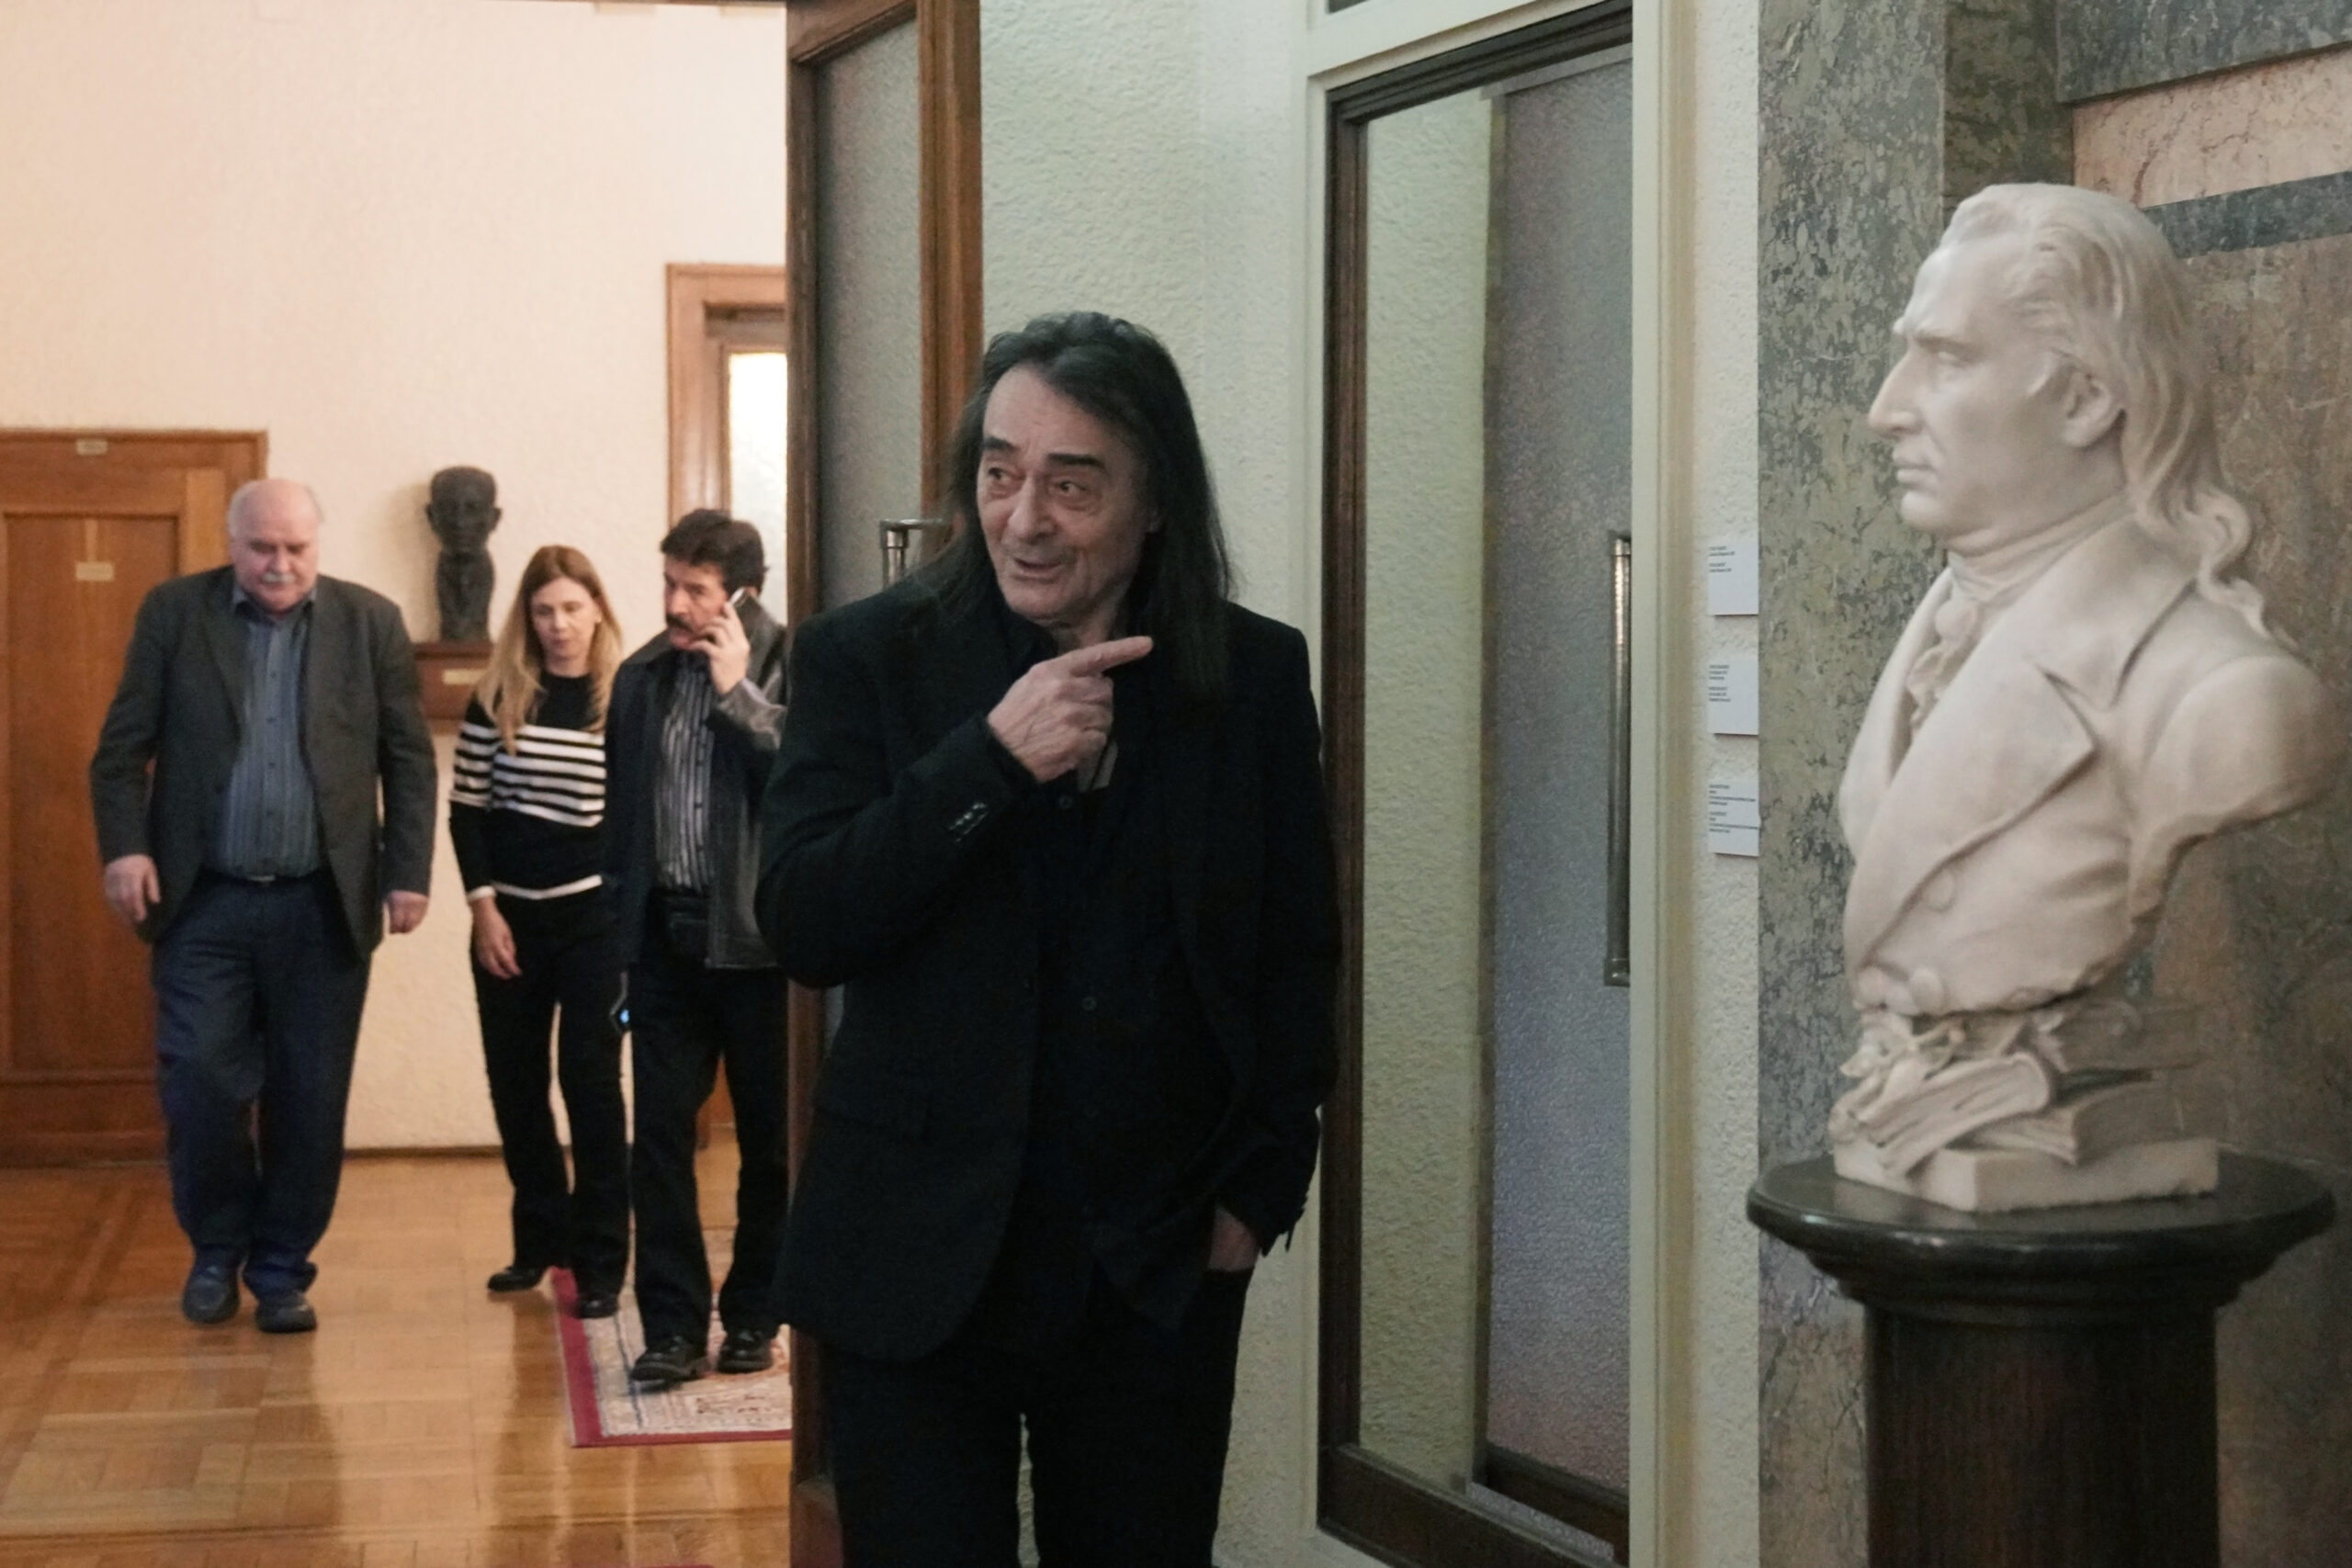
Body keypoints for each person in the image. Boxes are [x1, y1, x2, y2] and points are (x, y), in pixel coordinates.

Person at [759, 311, 1339, 1563]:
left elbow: (1297, 952)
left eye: (1072, 485)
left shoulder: (1249, 677)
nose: (1023, 518)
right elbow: (804, 918)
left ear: (1155, 503)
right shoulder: (868, 657)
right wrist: (989, 760)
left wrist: (1260, 1185)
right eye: (999, 472)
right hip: (912, 1252)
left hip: (1152, 1261)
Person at [1833, 184, 2341, 1182]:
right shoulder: (1938, 623)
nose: (1886, 411)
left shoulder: (2228, 703)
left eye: (1946, 358)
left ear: (2085, 398)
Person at [88, 477, 436, 1333]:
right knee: (201, 1082)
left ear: (318, 544)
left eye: (296, 548)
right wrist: (126, 846)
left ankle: (281, 1268)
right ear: (231, 542)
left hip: (322, 906)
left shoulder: (370, 622)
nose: (279, 564)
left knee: (309, 1098)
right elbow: (120, 751)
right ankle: (216, 1250)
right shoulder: (175, 613)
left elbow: (408, 758)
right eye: (261, 548)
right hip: (204, 902)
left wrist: (408, 870)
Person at [604, 510, 790, 1386]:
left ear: (742, 596)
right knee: (659, 1143)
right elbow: (622, 822)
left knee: (772, 1146)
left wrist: (737, 693)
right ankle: (672, 1328)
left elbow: (804, 781)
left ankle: (754, 1315)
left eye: (696, 589)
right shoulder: (641, 675)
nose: (675, 604)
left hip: (762, 950)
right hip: (664, 946)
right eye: (669, 583)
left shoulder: (795, 663)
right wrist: (619, 943)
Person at [451, 546, 629, 1318]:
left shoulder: (623, 697)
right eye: (544, 610)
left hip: (593, 922)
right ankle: (538, 1239)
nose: (559, 624)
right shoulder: (497, 695)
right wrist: (483, 909)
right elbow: (467, 810)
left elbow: (633, 817)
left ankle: (601, 1260)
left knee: (591, 1086)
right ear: (527, 617)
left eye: (571, 608)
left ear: (597, 609)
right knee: (516, 1087)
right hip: (509, 923)